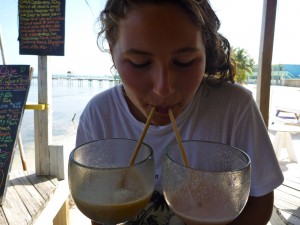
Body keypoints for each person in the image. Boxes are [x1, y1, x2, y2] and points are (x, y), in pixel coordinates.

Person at [76, 0, 284, 224]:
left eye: (184, 62)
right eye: (139, 62)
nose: (163, 89)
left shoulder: (234, 109)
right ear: (111, 51)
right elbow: (98, 210)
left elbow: (260, 200)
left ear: (206, 51)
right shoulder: (100, 115)